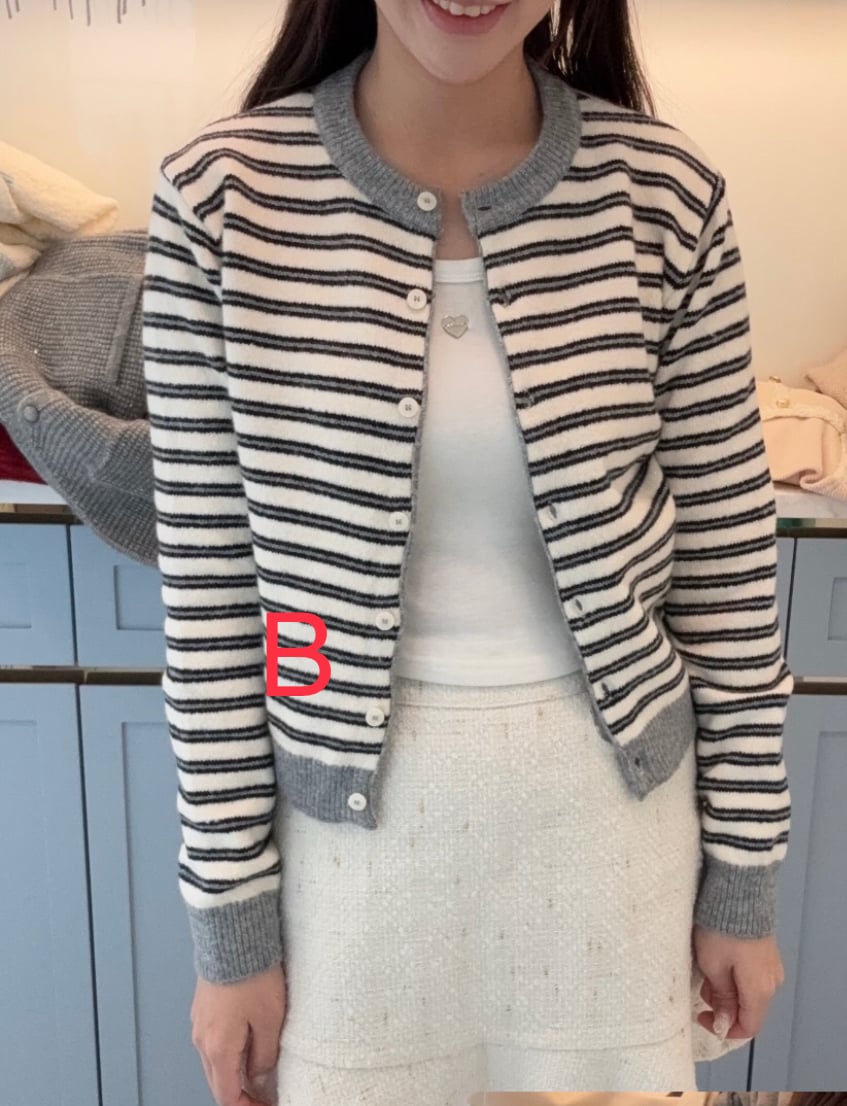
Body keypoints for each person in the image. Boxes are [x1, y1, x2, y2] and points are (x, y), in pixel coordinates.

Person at [141, 0, 793, 1103]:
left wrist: (743, 881)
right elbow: (212, 609)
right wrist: (228, 931)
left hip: (612, 845)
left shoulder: (666, 196)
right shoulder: (222, 199)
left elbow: (727, 582)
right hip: (348, 861)